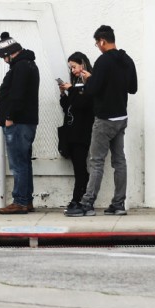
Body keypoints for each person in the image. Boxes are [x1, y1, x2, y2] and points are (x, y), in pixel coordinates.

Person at [65, 25, 138, 217]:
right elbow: (133, 88)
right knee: (119, 161)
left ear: (102, 41)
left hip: (105, 119)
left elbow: (92, 91)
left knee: (96, 161)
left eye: (97, 43)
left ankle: (87, 203)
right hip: (121, 117)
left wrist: (91, 79)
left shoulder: (103, 61)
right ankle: (118, 204)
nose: (97, 46)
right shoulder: (127, 59)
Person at [0, 31, 39, 214]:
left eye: (4, 57)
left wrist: (9, 117)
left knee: (18, 163)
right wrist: (1, 94)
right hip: (25, 121)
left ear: (11, 53)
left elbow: (18, 95)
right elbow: (18, 92)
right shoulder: (28, 65)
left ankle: (20, 201)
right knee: (24, 162)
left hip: (18, 123)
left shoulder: (20, 67)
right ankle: (26, 201)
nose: (4, 61)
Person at [58, 52, 95, 213]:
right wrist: (63, 93)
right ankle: (79, 200)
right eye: (70, 68)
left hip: (82, 132)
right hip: (71, 131)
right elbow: (69, 107)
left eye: (74, 66)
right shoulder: (76, 84)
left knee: (81, 168)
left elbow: (83, 104)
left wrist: (72, 89)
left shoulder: (90, 82)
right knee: (77, 167)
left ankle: (78, 200)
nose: (72, 70)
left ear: (82, 64)